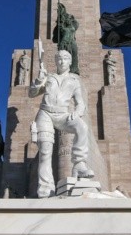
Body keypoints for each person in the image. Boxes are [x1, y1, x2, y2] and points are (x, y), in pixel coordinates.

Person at [28, 50, 92, 198]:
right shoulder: (49, 77)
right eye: (59, 59)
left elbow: (80, 103)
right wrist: (39, 79)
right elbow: (32, 93)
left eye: (65, 59)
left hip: (63, 114)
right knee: (45, 152)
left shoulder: (74, 81)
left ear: (70, 62)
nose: (62, 62)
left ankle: (79, 164)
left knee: (82, 127)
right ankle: (46, 190)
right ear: (56, 62)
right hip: (45, 114)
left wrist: (77, 113)